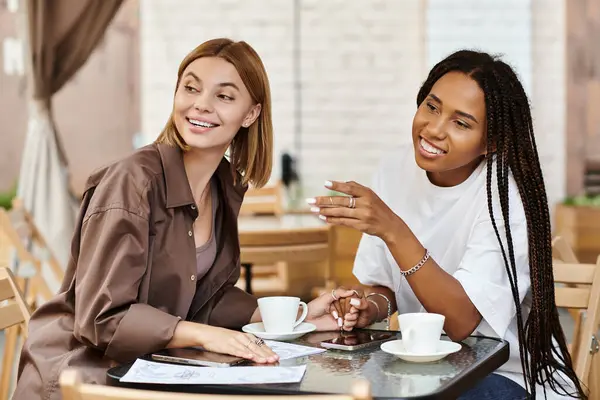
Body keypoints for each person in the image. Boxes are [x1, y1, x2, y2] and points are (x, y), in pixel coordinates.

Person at [14, 38, 355, 400]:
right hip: (83, 378)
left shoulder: (222, 186)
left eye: (223, 96)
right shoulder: (132, 183)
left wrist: (292, 315)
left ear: (251, 114)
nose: (200, 104)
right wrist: (207, 335)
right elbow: (101, 319)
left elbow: (204, 298)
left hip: (150, 373)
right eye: (191, 88)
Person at [309, 50, 586, 399]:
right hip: (421, 371)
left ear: (493, 142)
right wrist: (369, 308)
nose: (435, 128)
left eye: (461, 123)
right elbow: (383, 287)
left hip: (506, 374)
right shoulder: (394, 169)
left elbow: (461, 324)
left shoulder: (504, 193)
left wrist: (393, 229)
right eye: (432, 106)